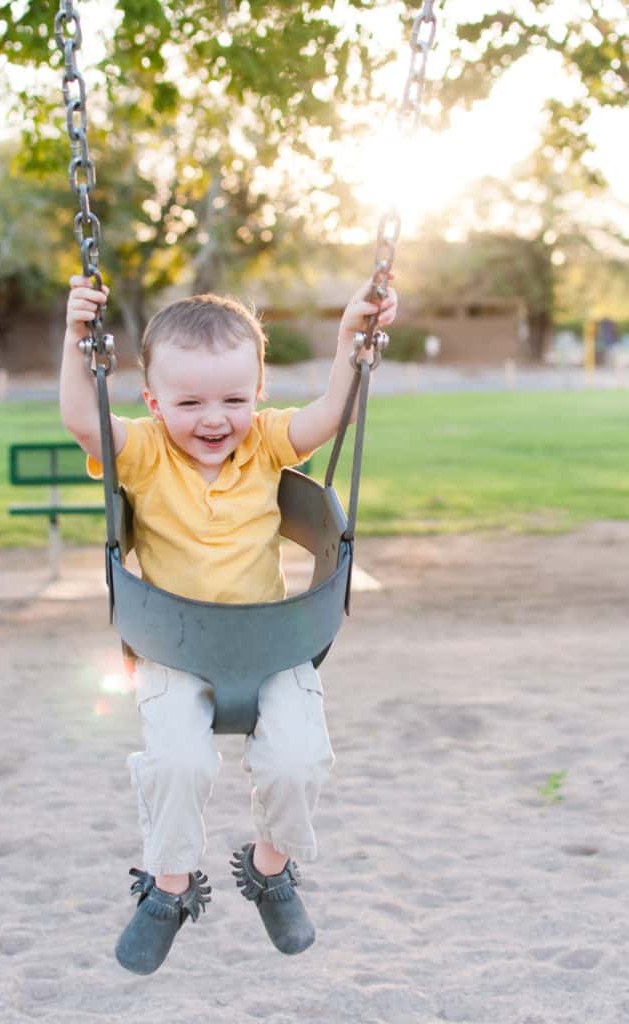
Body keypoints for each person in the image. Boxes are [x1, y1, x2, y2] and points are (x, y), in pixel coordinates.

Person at [60, 275, 397, 975]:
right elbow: (85, 422)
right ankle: (170, 887)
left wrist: (348, 344)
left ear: (258, 394)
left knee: (299, 760)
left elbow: (329, 416)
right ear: (153, 403)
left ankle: (269, 869)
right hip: (174, 652)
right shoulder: (147, 453)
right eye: (189, 402)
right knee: (176, 764)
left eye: (235, 400)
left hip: (273, 650)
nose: (215, 419)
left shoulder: (268, 444)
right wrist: (75, 341)